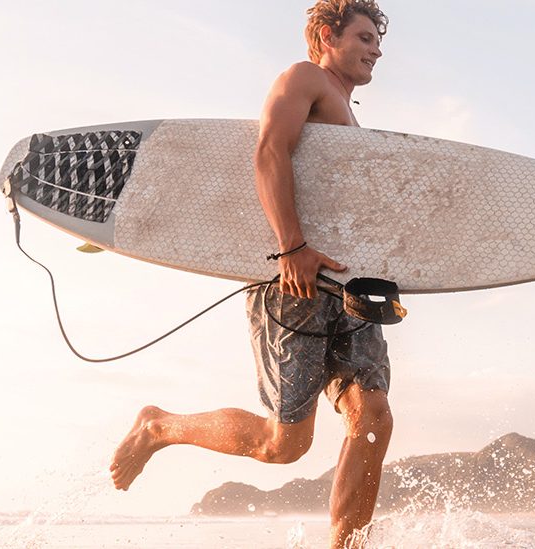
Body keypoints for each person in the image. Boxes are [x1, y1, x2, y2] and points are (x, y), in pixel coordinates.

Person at [109, 2, 392, 547]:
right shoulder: (304, 78)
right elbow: (268, 151)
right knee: (284, 445)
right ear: (326, 36)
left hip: (347, 288)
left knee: (373, 416)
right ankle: (158, 427)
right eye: (364, 37)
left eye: (377, 40)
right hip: (294, 279)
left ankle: (348, 545)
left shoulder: (350, 117)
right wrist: (292, 246)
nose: (376, 49)